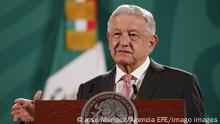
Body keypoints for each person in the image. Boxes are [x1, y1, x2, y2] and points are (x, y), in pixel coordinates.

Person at [11, 4, 204, 123]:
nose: (123, 42)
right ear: (109, 38)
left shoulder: (181, 83)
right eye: (117, 34)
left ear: (151, 43)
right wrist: (40, 118)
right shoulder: (88, 89)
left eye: (133, 35)